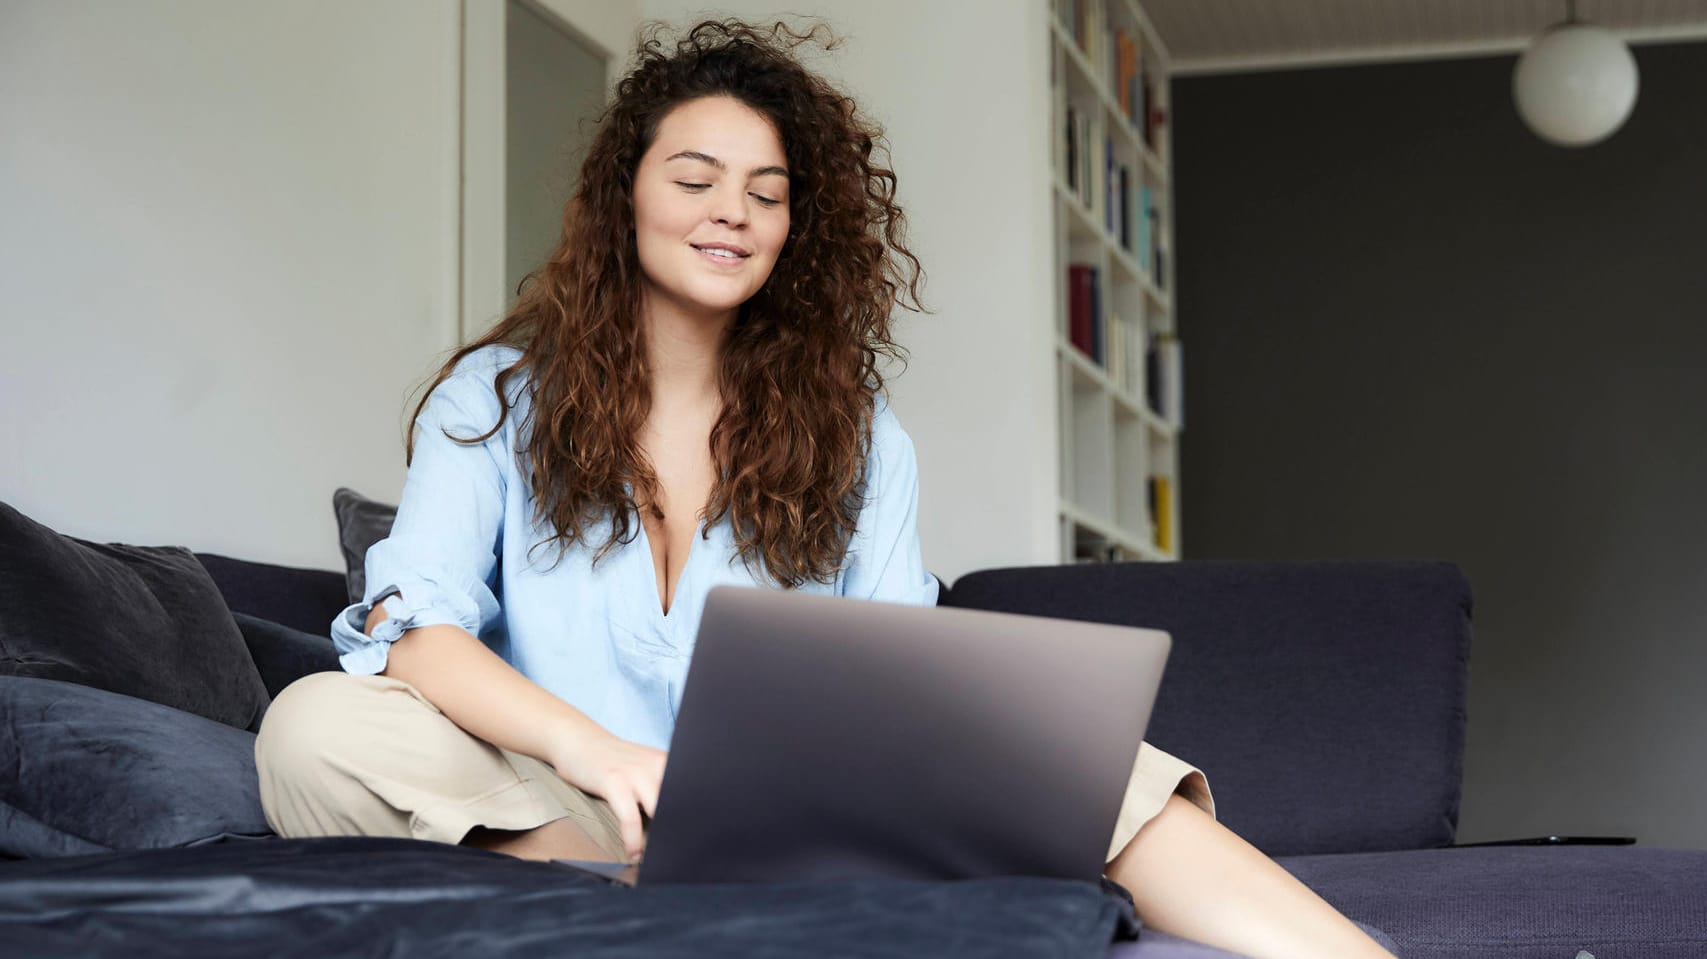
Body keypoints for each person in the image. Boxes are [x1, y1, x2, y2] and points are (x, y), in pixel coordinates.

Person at [256, 19, 1396, 959]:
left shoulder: (858, 434)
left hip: (795, 827)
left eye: (766, 191)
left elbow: (900, 679)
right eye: (695, 177)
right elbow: (413, 630)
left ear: (796, 226)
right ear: (625, 199)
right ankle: (661, 912)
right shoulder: (493, 397)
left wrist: (806, 797)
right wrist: (598, 756)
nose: (731, 212)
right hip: (572, 810)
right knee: (315, 724)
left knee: (1090, 763)